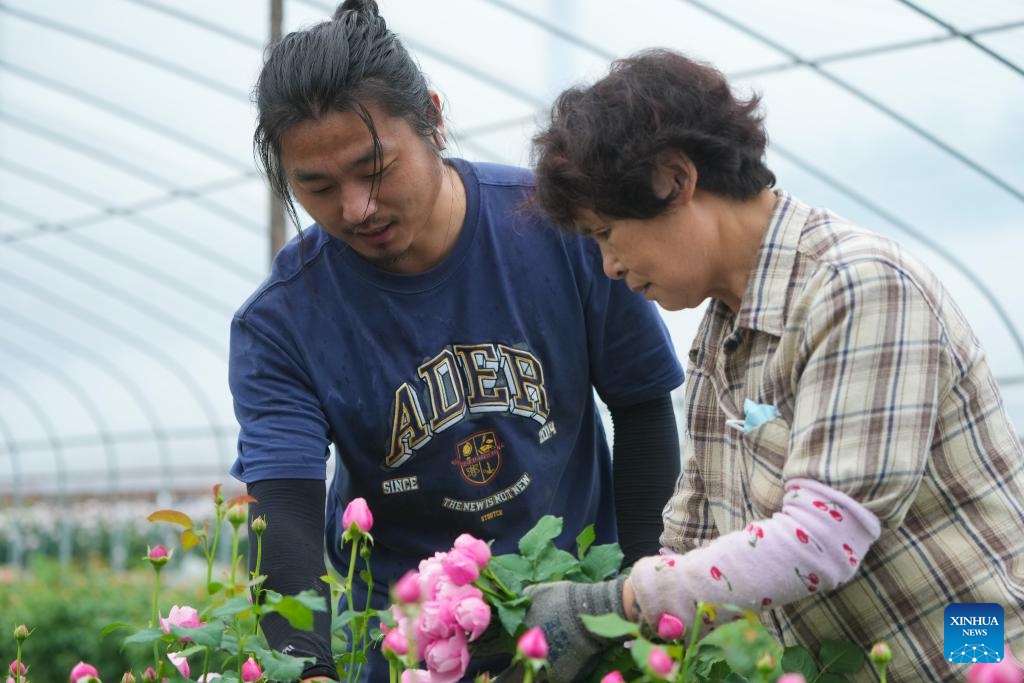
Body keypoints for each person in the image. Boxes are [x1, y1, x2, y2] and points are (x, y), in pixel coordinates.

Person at [504, 48, 1024, 682]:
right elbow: (690, 536)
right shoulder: (721, 336)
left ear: (675, 178)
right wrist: (620, 634)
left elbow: (822, 537)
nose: (609, 267)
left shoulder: (856, 287)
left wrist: (615, 605)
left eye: (606, 233)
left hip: (972, 653)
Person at [228, 3, 685, 681]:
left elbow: (643, 407)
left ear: (433, 120)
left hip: (578, 622)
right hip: (408, 649)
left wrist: (639, 606)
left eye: (375, 169)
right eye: (316, 187)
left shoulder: (556, 228)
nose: (355, 207)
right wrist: (308, 668)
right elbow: (283, 508)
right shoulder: (283, 321)